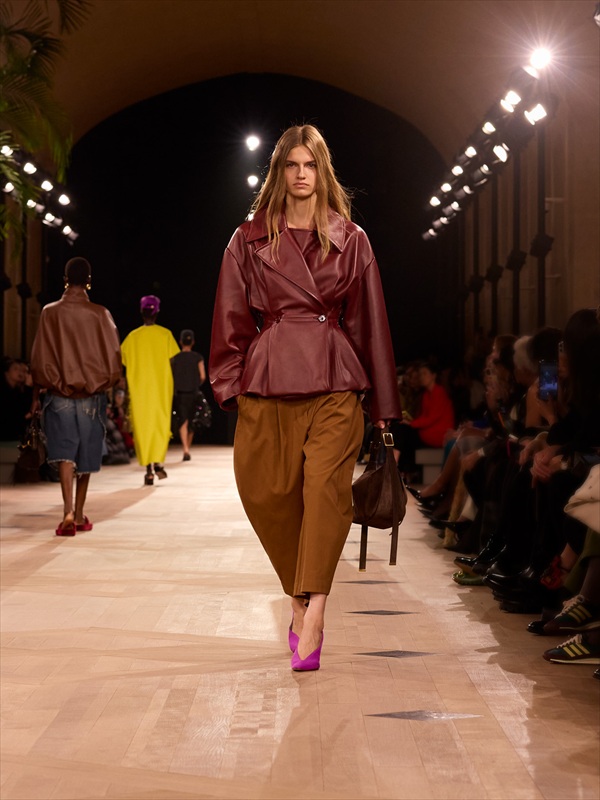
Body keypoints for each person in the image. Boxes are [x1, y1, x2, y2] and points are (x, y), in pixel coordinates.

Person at [209, 124, 401, 671]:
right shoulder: (247, 239)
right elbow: (229, 316)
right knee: (266, 493)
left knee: (324, 493)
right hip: (269, 380)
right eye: (291, 165)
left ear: (323, 172)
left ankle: (314, 611)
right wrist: (232, 388)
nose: (300, 174)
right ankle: (298, 599)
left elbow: (371, 325)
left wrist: (384, 408)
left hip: (334, 380)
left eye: (310, 164)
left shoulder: (352, 239)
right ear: (278, 172)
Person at [29, 257, 121, 535]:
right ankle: (79, 514)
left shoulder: (49, 312)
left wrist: (38, 394)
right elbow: (113, 359)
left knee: (65, 454)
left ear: (65, 280)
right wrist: (104, 384)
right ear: (89, 281)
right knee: (86, 453)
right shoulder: (100, 314)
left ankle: (67, 512)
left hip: (58, 393)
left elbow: (39, 358)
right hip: (91, 395)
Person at [121, 295, 179, 485]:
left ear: (141, 311)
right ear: (157, 312)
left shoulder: (132, 337)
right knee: (159, 426)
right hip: (161, 388)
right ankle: (158, 463)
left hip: (139, 390)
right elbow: (172, 362)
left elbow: (123, 361)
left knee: (143, 428)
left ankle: (149, 470)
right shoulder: (165, 335)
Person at [170, 329, 206, 461]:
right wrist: (195, 383)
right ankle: (187, 449)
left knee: (183, 420)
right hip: (194, 392)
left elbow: (170, 375)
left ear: (180, 342)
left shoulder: (175, 358)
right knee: (191, 421)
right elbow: (203, 376)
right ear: (193, 342)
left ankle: (185, 449)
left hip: (180, 393)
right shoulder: (198, 357)